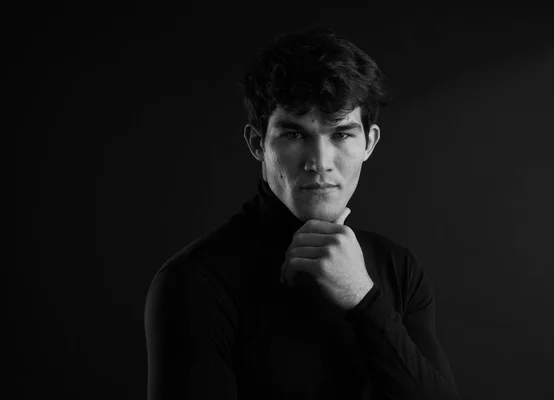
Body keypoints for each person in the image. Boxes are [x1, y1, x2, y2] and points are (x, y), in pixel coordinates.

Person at [144, 26, 462, 400]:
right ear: (257, 144)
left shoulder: (399, 269)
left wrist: (362, 298)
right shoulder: (194, 283)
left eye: (341, 134)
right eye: (295, 135)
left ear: (369, 143)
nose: (320, 162)